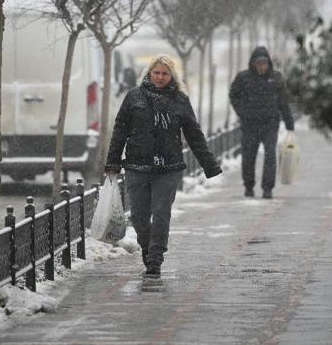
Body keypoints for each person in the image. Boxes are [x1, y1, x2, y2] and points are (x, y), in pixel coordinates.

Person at [106, 54, 222, 277]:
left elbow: (193, 134)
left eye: (165, 73)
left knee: (161, 214)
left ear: (172, 76)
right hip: (136, 167)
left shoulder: (179, 100)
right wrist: (112, 161)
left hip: (168, 168)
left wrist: (209, 165)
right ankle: (148, 248)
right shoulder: (134, 97)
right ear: (149, 73)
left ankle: (155, 259)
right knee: (139, 217)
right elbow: (120, 130)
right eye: (156, 73)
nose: (160, 77)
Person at [229, 46, 295, 199]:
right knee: (248, 156)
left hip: (270, 124)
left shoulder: (276, 78)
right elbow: (234, 95)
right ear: (253, 63)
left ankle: (267, 188)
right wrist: (242, 112)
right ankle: (249, 186)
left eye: (264, 63)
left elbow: (283, 102)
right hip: (250, 125)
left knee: (270, 155)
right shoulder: (243, 78)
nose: (261, 66)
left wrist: (289, 123)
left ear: (268, 63)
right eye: (258, 63)